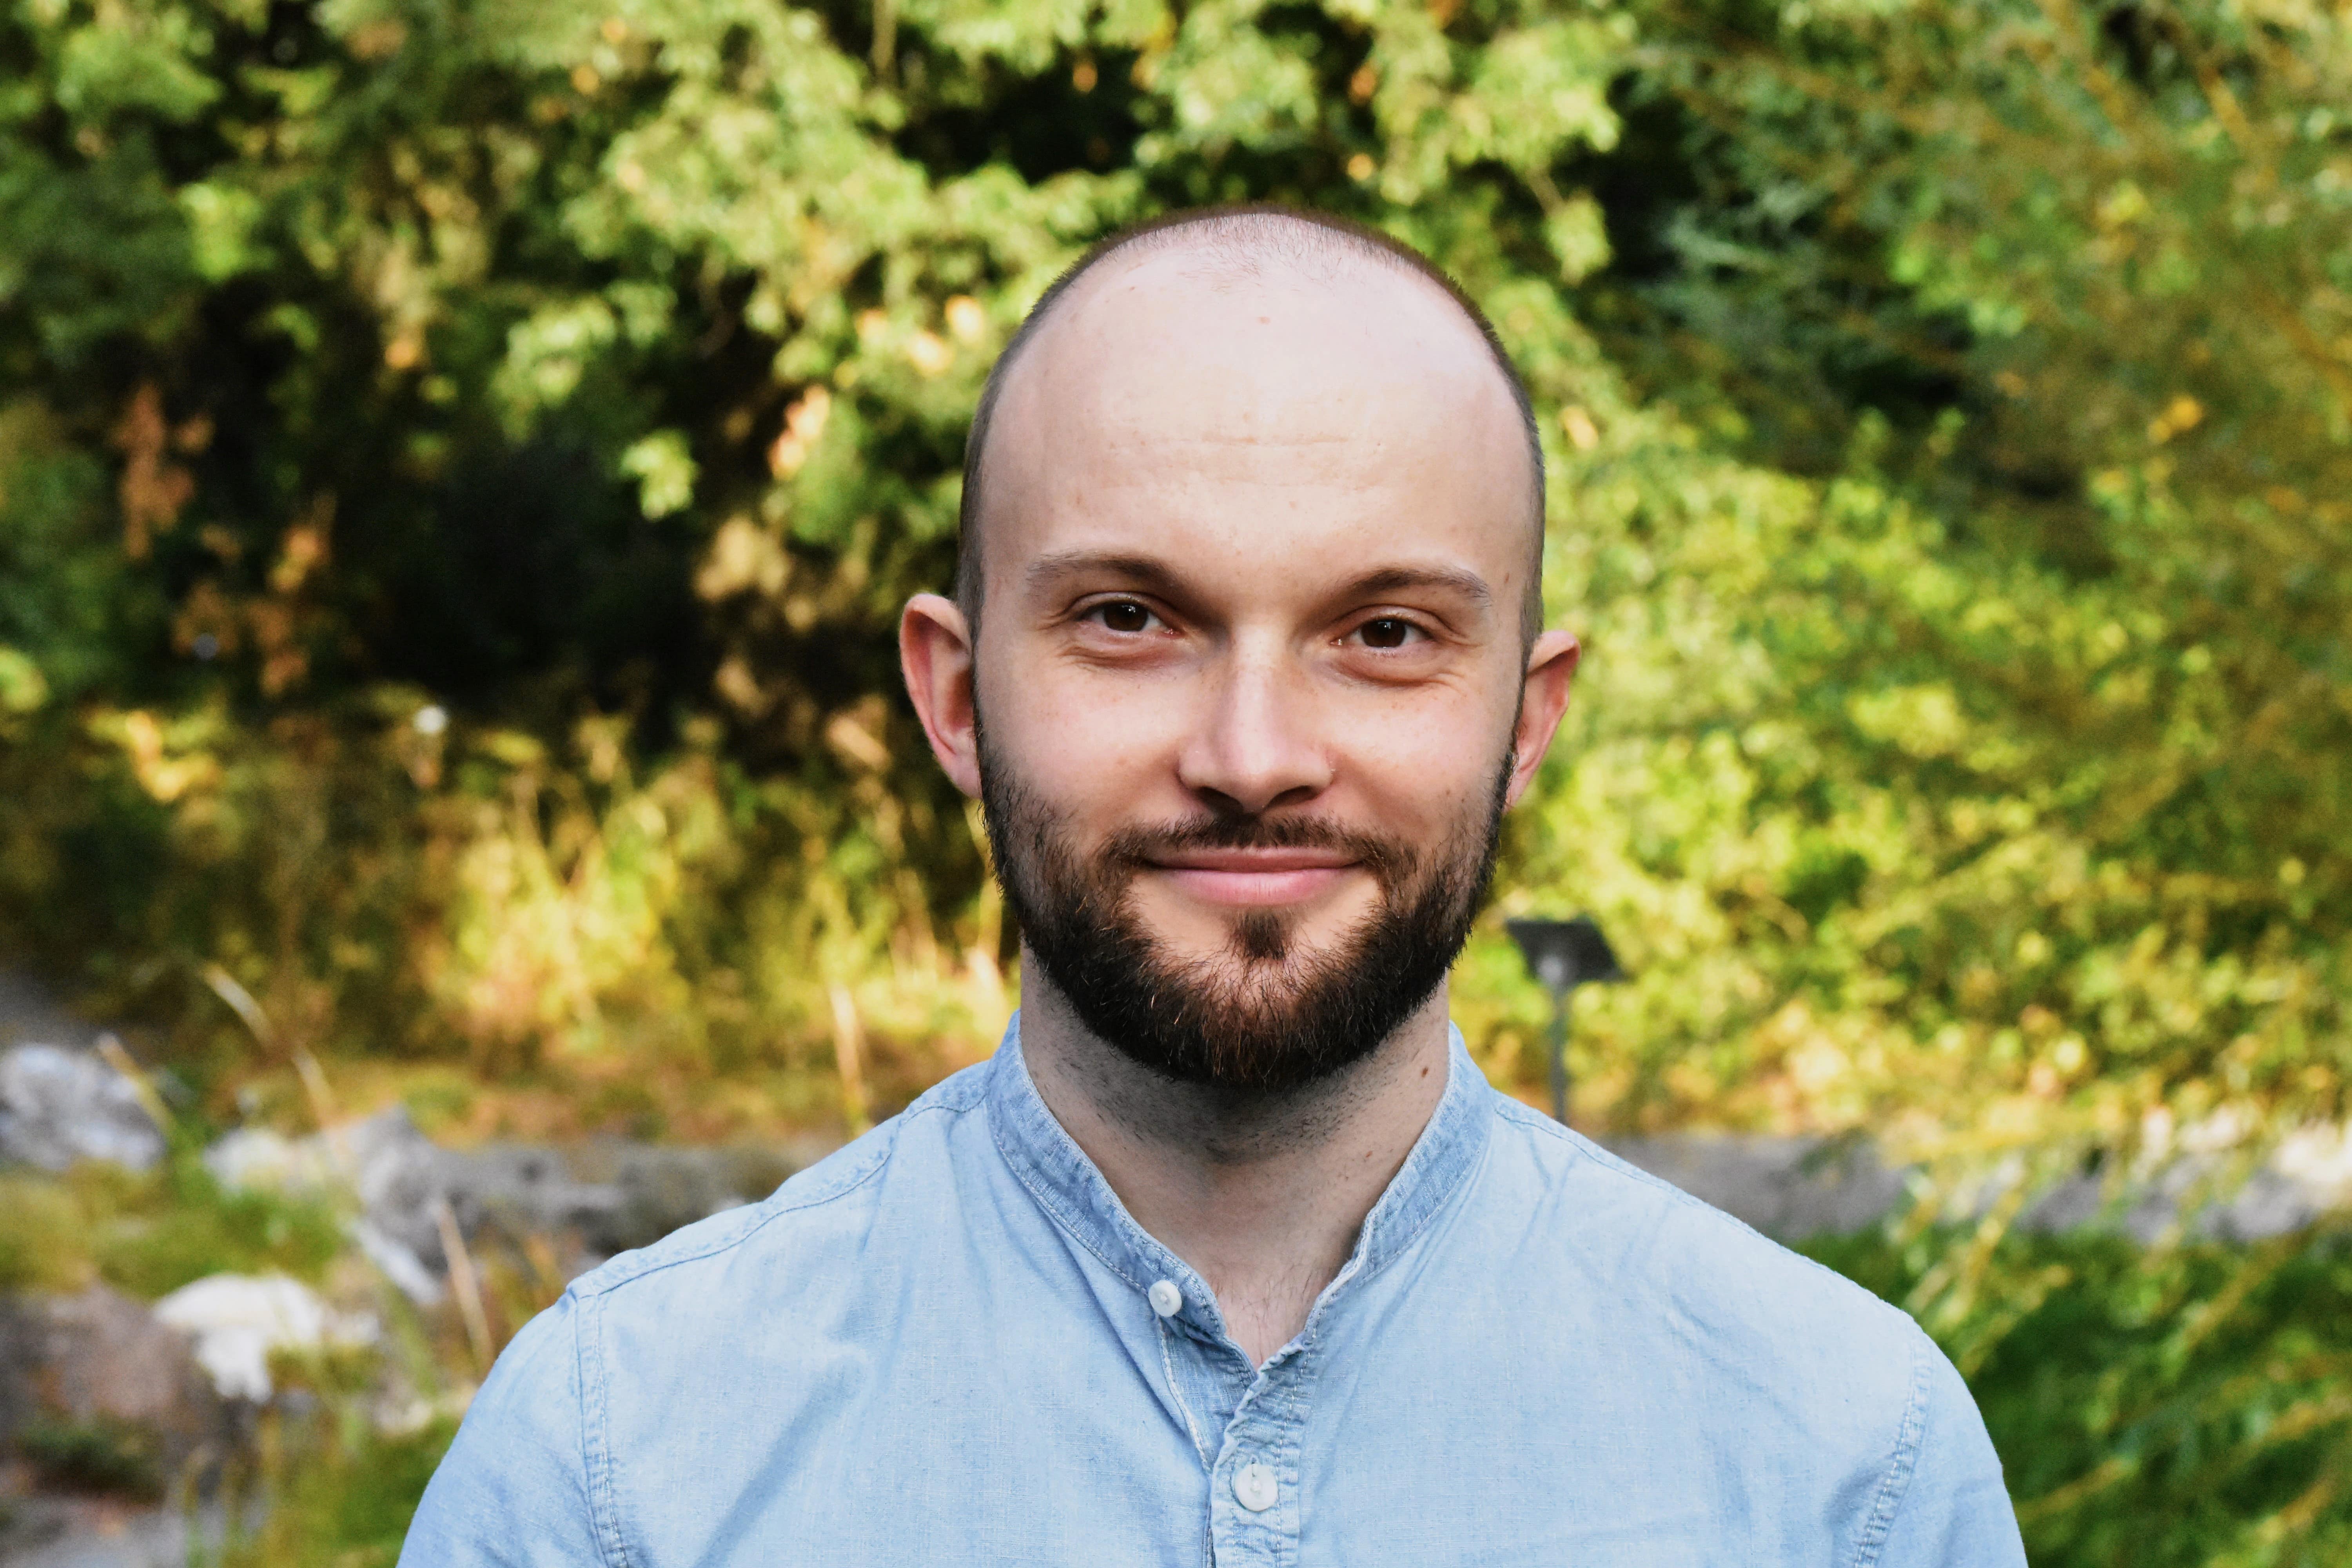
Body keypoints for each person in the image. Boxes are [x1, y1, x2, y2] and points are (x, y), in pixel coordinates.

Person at [400, 207, 2026, 1566]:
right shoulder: (619, 1467)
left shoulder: (1841, 1469)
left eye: (1384, 633)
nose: (1254, 754)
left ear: (1525, 724)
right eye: (1130, 617)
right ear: (957, 699)